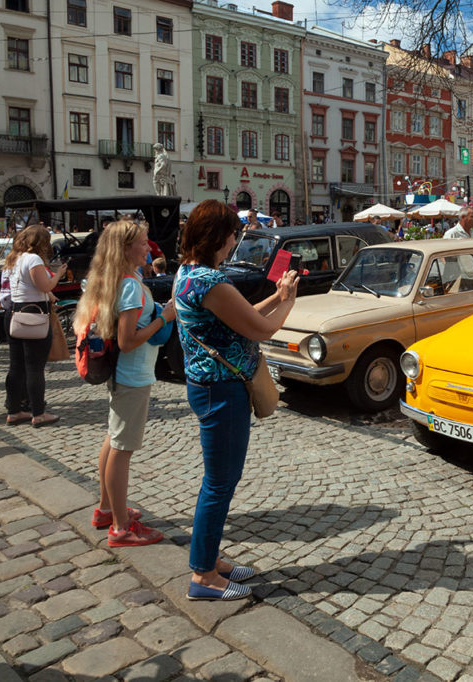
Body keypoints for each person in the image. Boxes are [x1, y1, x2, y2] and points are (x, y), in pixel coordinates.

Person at [175, 200, 299, 601]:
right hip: (221, 391)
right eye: (233, 234)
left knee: (219, 480)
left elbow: (242, 315)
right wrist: (290, 302)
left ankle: (208, 559)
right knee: (219, 482)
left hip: (208, 387)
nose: (235, 241)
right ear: (218, 236)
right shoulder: (212, 282)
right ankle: (203, 576)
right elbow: (261, 329)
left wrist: (276, 296)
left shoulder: (188, 274)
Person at [74, 221, 177, 547]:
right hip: (132, 375)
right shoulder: (130, 285)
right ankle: (120, 528)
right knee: (121, 449)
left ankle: (107, 509)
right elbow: (128, 339)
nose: (149, 248)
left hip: (122, 374)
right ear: (125, 249)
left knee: (113, 440)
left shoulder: (113, 279)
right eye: (144, 243)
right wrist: (164, 317)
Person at [3, 226, 67, 427]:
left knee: (16, 365)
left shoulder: (15, 258)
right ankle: (38, 413)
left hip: (14, 312)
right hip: (34, 314)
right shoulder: (34, 259)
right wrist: (58, 274)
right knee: (34, 367)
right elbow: (44, 286)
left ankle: (14, 411)